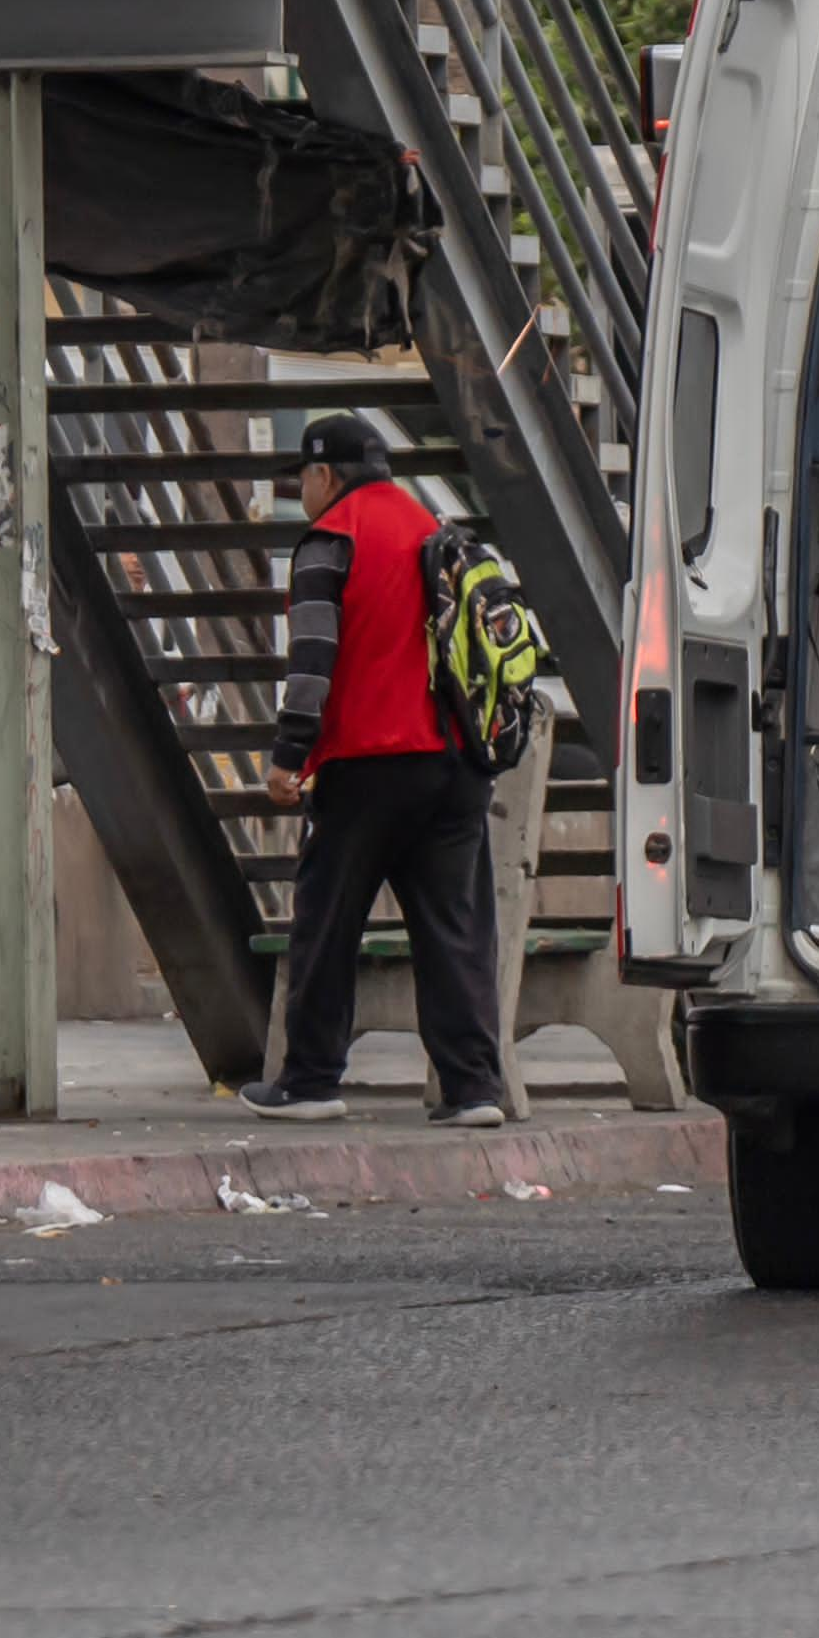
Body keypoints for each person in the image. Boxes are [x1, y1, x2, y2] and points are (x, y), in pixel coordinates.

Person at [234, 415, 511, 1129]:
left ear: (324, 475)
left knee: (326, 922)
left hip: (369, 764)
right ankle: (473, 1089)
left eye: (305, 478)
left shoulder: (333, 538)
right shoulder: (433, 527)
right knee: (455, 928)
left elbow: (312, 660)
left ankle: (311, 1081)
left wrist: (289, 756)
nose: (304, 491)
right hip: (454, 763)